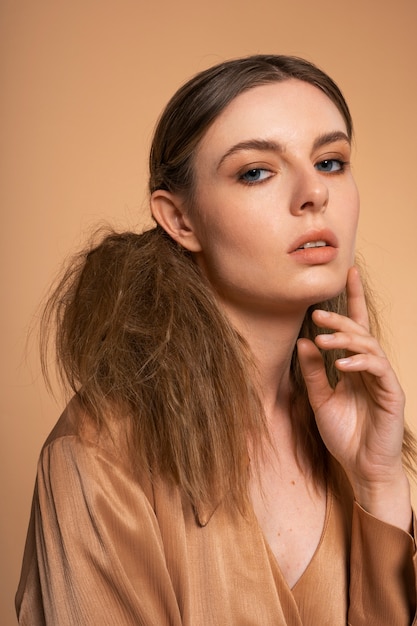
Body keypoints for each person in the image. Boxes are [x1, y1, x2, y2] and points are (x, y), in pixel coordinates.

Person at [16, 54, 417, 625]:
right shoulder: (95, 457)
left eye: (330, 161)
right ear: (179, 220)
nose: (313, 194)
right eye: (256, 171)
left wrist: (379, 484)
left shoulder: (343, 436)